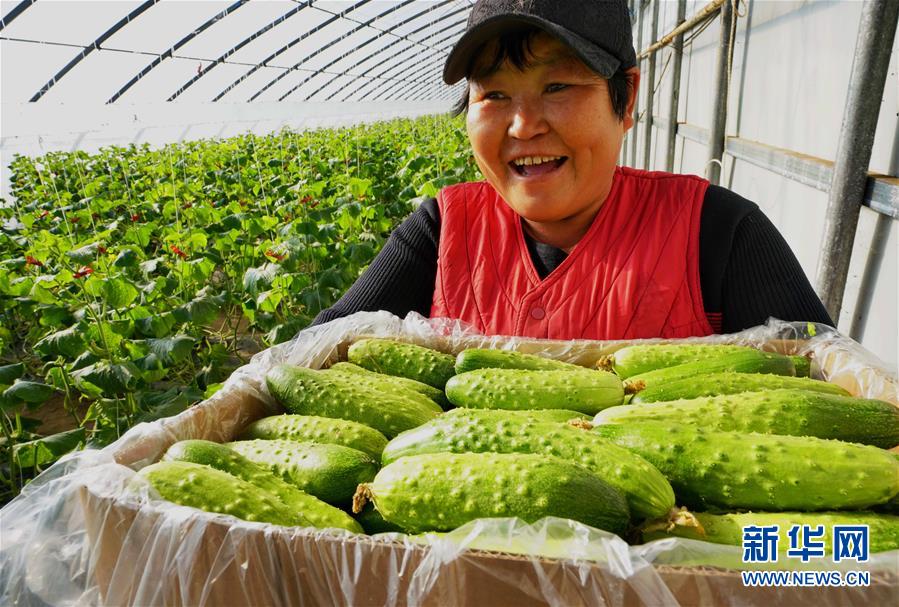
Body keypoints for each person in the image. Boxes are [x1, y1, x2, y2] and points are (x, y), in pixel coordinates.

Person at [311, 0, 832, 339]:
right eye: (494, 94)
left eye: (557, 87)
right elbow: (314, 357)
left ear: (626, 98)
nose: (523, 126)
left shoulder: (718, 233)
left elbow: (825, 391)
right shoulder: (442, 230)